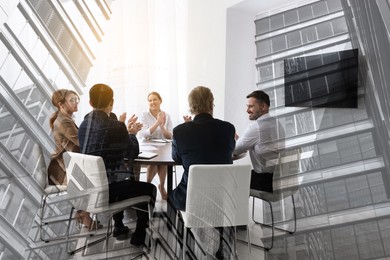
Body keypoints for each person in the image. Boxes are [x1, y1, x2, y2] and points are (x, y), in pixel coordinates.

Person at [78, 83, 157, 246]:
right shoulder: (116, 126)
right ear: (111, 103)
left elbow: (105, 147)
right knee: (149, 189)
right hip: (109, 192)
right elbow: (132, 153)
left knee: (117, 174)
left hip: (90, 189)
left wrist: (124, 133)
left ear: (90, 103)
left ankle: (119, 225)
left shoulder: (83, 125)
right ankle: (140, 232)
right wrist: (131, 134)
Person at [168, 86, 235, 259]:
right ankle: (222, 245)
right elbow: (229, 152)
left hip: (192, 198)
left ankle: (185, 245)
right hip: (224, 197)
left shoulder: (180, 131)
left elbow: (177, 158)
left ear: (191, 106)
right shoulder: (228, 129)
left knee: (172, 195)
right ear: (212, 104)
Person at [48, 89, 102, 230]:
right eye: (72, 100)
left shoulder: (65, 119)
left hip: (69, 166)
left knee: (98, 169)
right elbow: (82, 142)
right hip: (65, 170)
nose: (76, 102)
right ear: (61, 104)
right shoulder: (64, 122)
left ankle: (84, 212)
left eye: (76, 99)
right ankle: (84, 214)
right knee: (101, 173)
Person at [233, 90, 285, 192]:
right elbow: (262, 145)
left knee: (230, 178)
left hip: (267, 182)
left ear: (263, 107)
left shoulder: (257, 127)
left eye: (251, 106)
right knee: (241, 175)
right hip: (280, 179)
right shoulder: (277, 123)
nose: (247, 110)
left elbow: (234, 150)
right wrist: (240, 141)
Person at [139, 92, 173, 200]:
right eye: (150, 100)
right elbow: (143, 134)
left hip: (163, 147)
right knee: (153, 161)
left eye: (155, 99)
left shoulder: (166, 115)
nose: (152, 102)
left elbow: (170, 136)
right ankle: (147, 186)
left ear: (160, 101)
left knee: (162, 161)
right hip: (148, 147)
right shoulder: (144, 115)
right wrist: (157, 122)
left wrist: (162, 127)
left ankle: (161, 186)